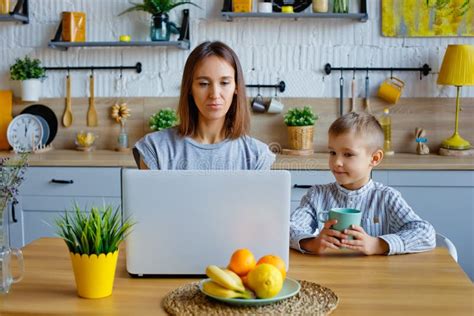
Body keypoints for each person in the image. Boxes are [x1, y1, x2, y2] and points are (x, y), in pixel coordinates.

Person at [290, 112, 435, 255]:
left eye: (348, 154)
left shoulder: (387, 198)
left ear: (375, 158)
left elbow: (425, 233)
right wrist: (312, 243)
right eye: (333, 152)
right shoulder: (317, 195)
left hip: (377, 277)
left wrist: (378, 244)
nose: (336, 162)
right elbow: (289, 228)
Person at [133, 41, 275, 170]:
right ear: (189, 88)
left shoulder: (258, 156)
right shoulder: (155, 148)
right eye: (203, 84)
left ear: (236, 87)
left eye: (224, 83)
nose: (214, 94)